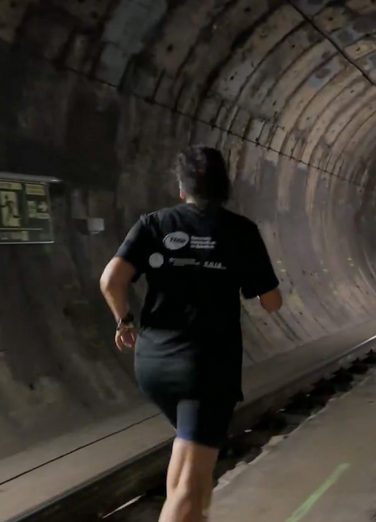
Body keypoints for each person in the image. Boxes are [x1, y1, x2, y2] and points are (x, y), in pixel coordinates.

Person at [100, 146, 282, 522]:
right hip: (206, 367)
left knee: (188, 459)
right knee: (189, 483)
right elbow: (271, 302)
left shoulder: (153, 224)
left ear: (182, 188)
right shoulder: (241, 231)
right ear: (224, 186)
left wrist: (124, 321)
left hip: (153, 364)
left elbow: (110, 280)